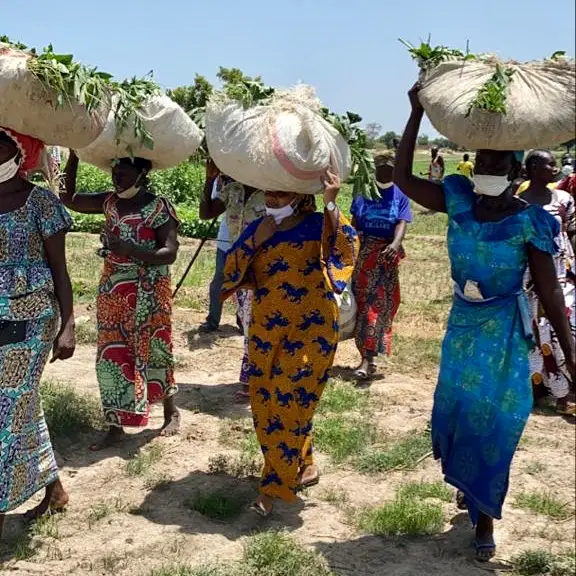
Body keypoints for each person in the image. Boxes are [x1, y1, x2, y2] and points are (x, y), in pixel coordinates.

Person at [395, 84, 575, 562]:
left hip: (503, 334)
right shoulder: (457, 200)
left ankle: (485, 517)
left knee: (496, 421)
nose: (489, 170)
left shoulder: (532, 222)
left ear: (515, 171)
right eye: (483, 162)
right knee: (457, 413)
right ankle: (470, 489)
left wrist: (571, 354)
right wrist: (414, 113)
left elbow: (551, 294)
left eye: (499, 164)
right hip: (462, 328)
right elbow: (403, 178)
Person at [221, 172, 358, 516]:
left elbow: (346, 247)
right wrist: (255, 242)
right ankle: (304, 462)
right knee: (268, 401)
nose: (272, 199)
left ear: (299, 196)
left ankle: (270, 490)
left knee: (289, 396)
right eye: (269, 191)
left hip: (312, 332)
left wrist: (330, 202)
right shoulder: (259, 228)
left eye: (281, 193)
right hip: (267, 333)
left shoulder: (317, 225)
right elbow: (231, 274)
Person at [61, 151, 181, 450]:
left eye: (124, 173)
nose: (117, 178)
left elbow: (170, 252)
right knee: (111, 354)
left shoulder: (158, 207)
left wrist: (131, 250)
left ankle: (170, 411)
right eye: (115, 172)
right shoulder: (109, 202)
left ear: (142, 174)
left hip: (150, 291)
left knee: (155, 347)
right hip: (114, 292)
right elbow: (68, 197)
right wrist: (73, 156)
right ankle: (115, 426)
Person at [0, 128, 75, 537]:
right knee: (19, 404)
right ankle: (55, 489)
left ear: (19, 151)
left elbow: (60, 271)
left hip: (32, 319)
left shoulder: (41, 202)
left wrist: (68, 325)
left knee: (8, 407)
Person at [200, 160, 266, 399]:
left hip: (261, 264)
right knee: (248, 320)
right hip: (237, 263)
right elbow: (205, 213)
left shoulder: (270, 193)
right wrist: (209, 180)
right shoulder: (233, 190)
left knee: (256, 319)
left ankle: (253, 378)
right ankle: (256, 376)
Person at [520, 150, 575, 415]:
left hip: (562, 273)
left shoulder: (564, 199)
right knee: (536, 332)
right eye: (548, 165)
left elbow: (571, 233)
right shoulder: (518, 203)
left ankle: (567, 391)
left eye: (555, 164)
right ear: (532, 169)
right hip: (529, 279)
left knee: (565, 327)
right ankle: (539, 389)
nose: (555, 169)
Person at [350, 153, 412, 379]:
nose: (385, 171)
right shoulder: (363, 192)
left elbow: (402, 222)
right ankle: (366, 357)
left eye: (389, 168)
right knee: (362, 306)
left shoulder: (400, 195)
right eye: (381, 168)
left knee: (376, 306)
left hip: (386, 258)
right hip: (363, 258)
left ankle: (368, 359)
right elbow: (355, 223)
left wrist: (396, 244)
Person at [199, 176, 230, 333]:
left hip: (256, 242)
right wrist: (210, 180)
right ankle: (212, 320)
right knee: (219, 279)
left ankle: (244, 320)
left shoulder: (263, 183)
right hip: (227, 241)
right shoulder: (228, 183)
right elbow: (206, 212)